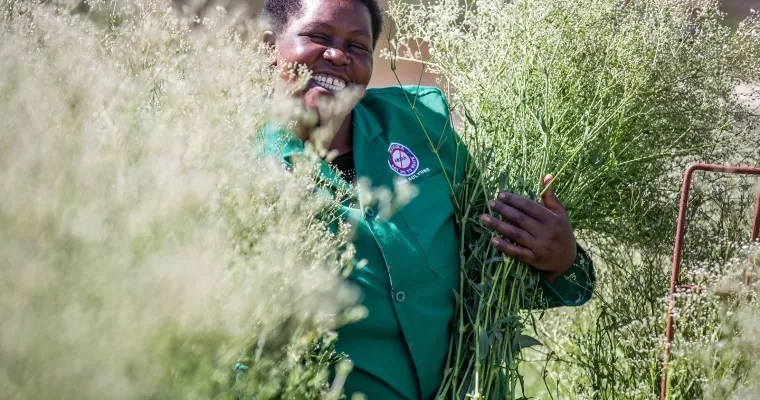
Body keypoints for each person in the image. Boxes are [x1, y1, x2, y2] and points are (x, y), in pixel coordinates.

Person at [257, 0, 595, 399]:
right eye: (318, 37)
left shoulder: (422, 124)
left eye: (358, 46)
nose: (338, 55)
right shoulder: (227, 166)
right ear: (268, 47)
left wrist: (561, 262)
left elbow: (488, 277)